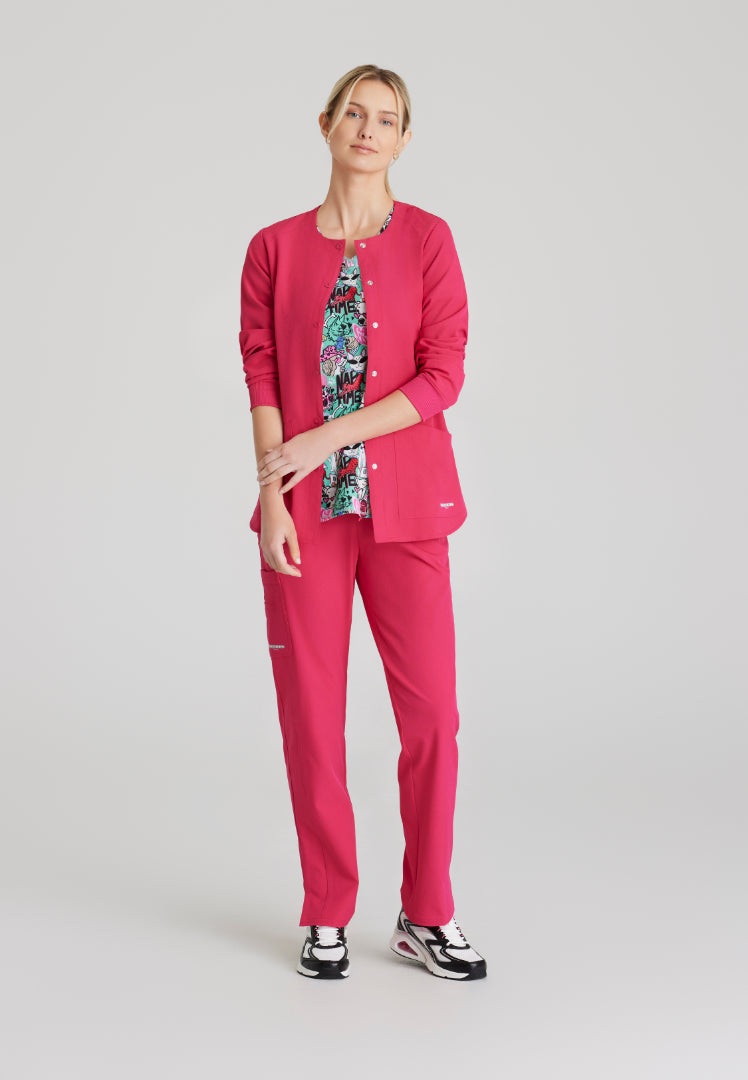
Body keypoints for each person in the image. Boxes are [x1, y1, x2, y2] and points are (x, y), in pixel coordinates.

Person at [238, 64, 487, 981]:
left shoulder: (429, 240)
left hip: (408, 508)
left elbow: (442, 375)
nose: (369, 129)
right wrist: (273, 493)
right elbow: (261, 370)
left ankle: (427, 913)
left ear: (405, 139)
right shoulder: (272, 248)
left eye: (387, 119)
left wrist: (328, 435)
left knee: (433, 719)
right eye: (355, 112)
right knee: (312, 716)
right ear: (327, 123)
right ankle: (326, 911)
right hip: (306, 511)